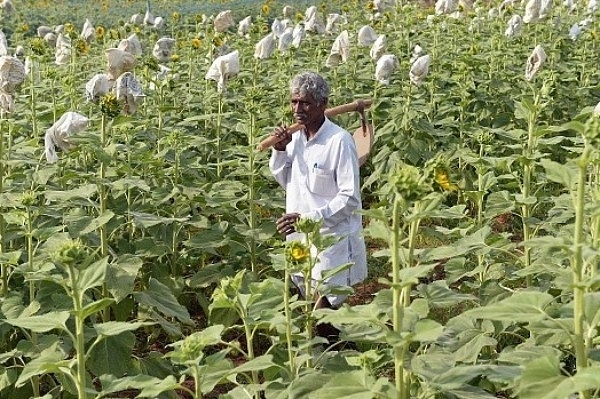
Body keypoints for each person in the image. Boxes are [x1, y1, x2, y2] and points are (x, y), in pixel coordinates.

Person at [268, 71, 368, 338]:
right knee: (316, 311)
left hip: (330, 238)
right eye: (294, 102)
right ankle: (338, 354)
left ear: (323, 104)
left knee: (323, 309)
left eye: (305, 103)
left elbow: (349, 198)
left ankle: (327, 359)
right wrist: (279, 150)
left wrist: (309, 218)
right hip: (299, 236)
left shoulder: (339, 141)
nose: (297, 109)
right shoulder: (294, 138)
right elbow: (287, 180)